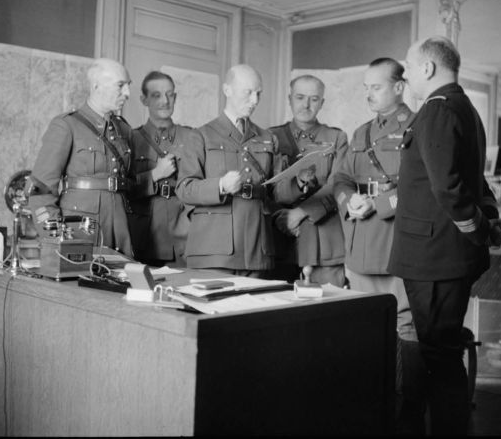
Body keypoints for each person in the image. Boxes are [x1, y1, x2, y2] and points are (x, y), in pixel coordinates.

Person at [387, 37, 501, 436]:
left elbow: (450, 188)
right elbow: (477, 185)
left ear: (428, 68)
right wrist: (487, 222)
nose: (405, 74)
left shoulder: (438, 110)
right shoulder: (465, 108)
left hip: (434, 257)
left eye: (409, 65)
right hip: (442, 255)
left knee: (440, 360)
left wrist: (478, 230)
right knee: (440, 356)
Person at [332, 58, 424, 434]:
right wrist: (347, 198)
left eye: (377, 86)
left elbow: (422, 186)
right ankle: (372, 407)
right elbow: (341, 175)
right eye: (366, 87)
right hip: (360, 243)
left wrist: (380, 204)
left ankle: (410, 413)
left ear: (400, 86)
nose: (369, 93)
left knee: (407, 327)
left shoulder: (418, 127)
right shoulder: (360, 133)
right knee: (366, 326)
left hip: (396, 243)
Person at [176, 64, 282, 277]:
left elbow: (278, 190)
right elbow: (184, 189)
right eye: (248, 92)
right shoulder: (201, 136)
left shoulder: (268, 138)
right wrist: (221, 186)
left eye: (258, 93)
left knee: (253, 309)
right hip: (214, 249)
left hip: (256, 248)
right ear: (227, 90)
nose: (255, 101)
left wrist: (302, 182)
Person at [27, 58, 137, 255]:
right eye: (121, 85)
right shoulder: (67, 125)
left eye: (128, 86)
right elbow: (40, 190)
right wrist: (55, 238)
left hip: (121, 232)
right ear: (96, 85)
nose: (127, 93)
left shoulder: (123, 130)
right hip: (81, 233)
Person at [269, 75, 347, 286]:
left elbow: (338, 184)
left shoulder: (336, 138)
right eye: (300, 97)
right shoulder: (271, 137)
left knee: (329, 310)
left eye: (314, 99)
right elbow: (265, 187)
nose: (306, 105)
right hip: (279, 238)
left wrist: (300, 212)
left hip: (323, 240)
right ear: (289, 99)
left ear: (322, 102)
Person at [128, 71, 193, 267]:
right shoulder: (131, 139)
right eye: (156, 95)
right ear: (144, 100)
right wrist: (154, 175)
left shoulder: (191, 137)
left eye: (170, 94)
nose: (165, 101)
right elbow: (121, 190)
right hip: (145, 236)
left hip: (183, 235)